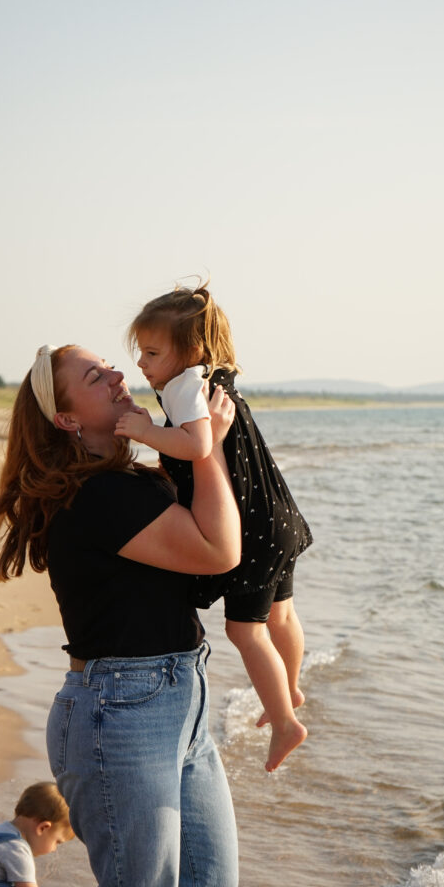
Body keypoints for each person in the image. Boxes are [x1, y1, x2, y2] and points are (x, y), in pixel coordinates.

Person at [0, 344, 241, 887]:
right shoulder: (98, 495)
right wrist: (205, 449)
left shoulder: (127, 481)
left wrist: (197, 434)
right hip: (120, 710)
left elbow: (214, 550)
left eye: (110, 366)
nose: (116, 374)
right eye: (95, 377)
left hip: (181, 697)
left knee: (208, 883)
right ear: (66, 419)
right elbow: (218, 551)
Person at [116, 283, 313, 773]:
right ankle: (288, 689)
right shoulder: (217, 377)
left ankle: (285, 722)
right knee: (282, 614)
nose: (142, 362)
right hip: (277, 515)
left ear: (193, 350)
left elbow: (198, 446)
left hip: (250, 528)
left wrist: (146, 432)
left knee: (245, 630)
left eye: (153, 353)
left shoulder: (184, 387)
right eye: (142, 351)